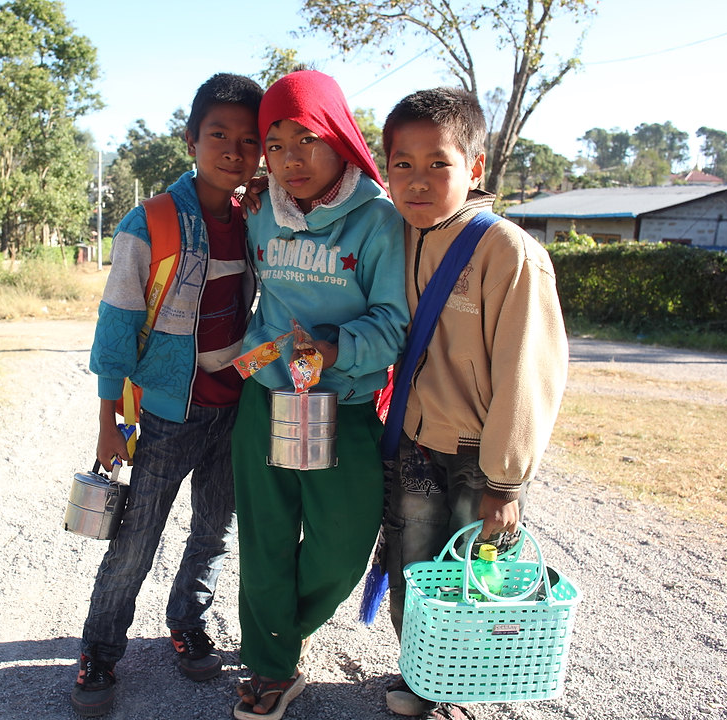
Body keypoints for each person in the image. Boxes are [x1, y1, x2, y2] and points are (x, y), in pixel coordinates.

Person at [70, 72, 263, 718]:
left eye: (247, 140)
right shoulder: (148, 221)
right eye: (218, 135)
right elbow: (117, 327)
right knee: (136, 539)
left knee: (214, 533)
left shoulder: (255, 219)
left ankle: (188, 621)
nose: (233, 151)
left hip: (232, 410)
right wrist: (107, 419)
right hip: (164, 415)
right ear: (190, 139)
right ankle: (99, 649)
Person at [377, 87, 568, 719]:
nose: (419, 180)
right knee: (412, 563)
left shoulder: (509, 254)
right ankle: (418, 671)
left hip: (476, 457)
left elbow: (528, 375)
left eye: (439, 163)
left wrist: (506, 482)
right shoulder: (395, 237)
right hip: (413, 443)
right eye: (402, 164)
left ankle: (459, 685)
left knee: (473, 579)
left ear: (476, 167)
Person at [231, 69, 409, 720]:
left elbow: (394, 323)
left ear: (338, 136)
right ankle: (273, 665)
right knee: (266, 538)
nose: (289, 159)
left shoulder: (378, 223)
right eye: (273, 145)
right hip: (269, 397)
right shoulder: (259, 211)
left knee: (341, 547)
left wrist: (335, 350)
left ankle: (279, 629)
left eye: (304, 139)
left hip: (345, 406)